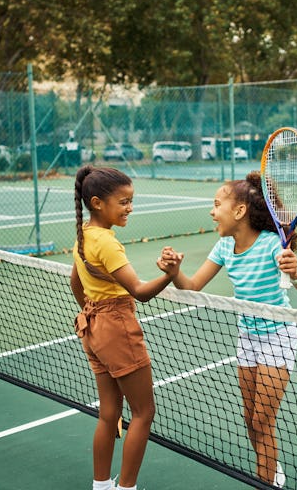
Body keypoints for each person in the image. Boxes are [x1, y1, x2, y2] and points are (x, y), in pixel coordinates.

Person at [165, 171, 297, 488]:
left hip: (278, 337)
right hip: (247, 337)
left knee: (263, 419)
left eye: (217, 203)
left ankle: (266, 482)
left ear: (239, 211)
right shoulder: (223, 247)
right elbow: (191, 287)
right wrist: (175, 272)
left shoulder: (273, 245)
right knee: (250, 419)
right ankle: (271, 472)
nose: (211, 210)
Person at [70, 166, 182, 490]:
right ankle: (126, 488)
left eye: (131, 201)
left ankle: (102, 486)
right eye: (123, 202)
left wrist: (96, 318)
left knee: (109, 414)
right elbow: (140, 292)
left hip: (92, 330)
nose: (130, 208)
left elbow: (75, 283)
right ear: (97, 203)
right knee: (144, 412)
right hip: (117, 328)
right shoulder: (106, 243)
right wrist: (171, 274)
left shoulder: (83, 237)